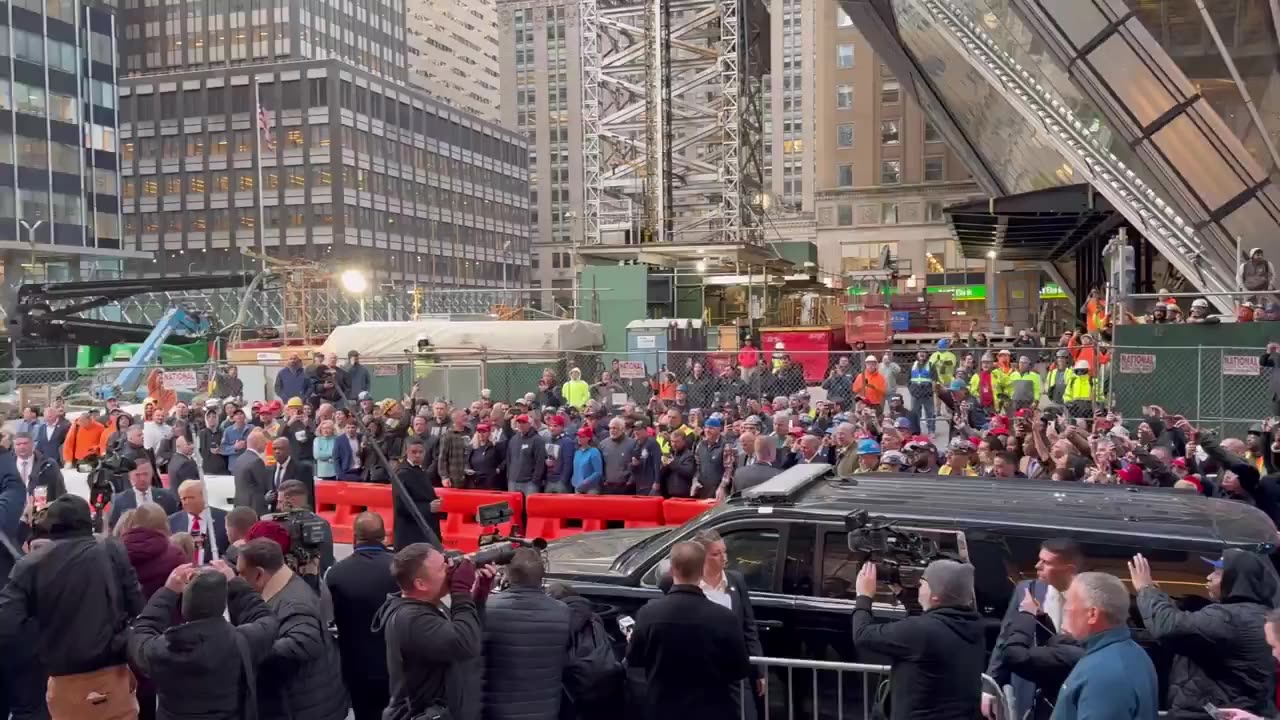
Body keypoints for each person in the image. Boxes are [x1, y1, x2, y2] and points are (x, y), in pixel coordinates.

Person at [0, 494, 145, 720]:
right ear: (88, 522)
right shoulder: (112, 551)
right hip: (112, 675)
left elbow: (7, 625)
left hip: (64, 681)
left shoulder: (30, 566)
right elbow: (138, 606)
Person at [1129, 550, 1277, 720]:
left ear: (1235, 580)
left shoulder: (1229, 618)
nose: (1209, 577)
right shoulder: (1262, 614)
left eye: (1217, 572)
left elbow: (1168, 626)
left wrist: (1146, 589)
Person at [626, 541, 750, 720]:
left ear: (672, 569)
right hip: (712, 711)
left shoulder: (648, 614)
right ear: (702, 570)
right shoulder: (724, 617)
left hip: (663, 710)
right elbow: (739, 669)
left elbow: (635, 659)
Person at [850, 559, 984, 720]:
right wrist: (900, 591)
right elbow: (926, 621)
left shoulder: (923, 632)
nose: (918, 588)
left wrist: (863, 596)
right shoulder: (971, 627)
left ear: (935, 596)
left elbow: (863, 635)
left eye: (922, 584)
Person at [235, 538, 349, 720]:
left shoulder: (293, 604)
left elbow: (305, 642)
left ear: (259, 574)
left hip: (305, 709)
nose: (239, 579)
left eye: (241, 573)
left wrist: (249, 649)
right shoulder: (286, 584)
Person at [374, 545, 490, 720]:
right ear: (420, 584)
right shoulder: (412, 620)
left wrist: (478, 597)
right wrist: (461, 591)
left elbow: (467, 634)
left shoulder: (427, 607)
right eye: (443, 567)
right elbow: (465, 644)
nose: (451, 569)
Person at [987, 539, 1083, 720]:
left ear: (1068, 569)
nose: (1037, 566)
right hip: (1026, 688)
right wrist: (991, 685)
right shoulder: (1027, 589)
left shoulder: (1087, 596)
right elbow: (1005, 637)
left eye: (1046, 562)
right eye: (1040, 559)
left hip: (1063, 692)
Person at [481, 548, 572, 720]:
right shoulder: (562, 612)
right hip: (545, 711)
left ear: (507, 576)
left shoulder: (487, 608)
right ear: (541, 577)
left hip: (495, 710)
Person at [1053, 572, 1158, 720]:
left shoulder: (1104, 673)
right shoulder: (1133, 653)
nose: (1065, 608)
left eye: (1069, 603)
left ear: (1092, 614)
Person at [325, 513, 398, 720]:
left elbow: (329, 619)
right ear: (384, 537)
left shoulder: (336, 573)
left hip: (357, 666)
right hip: (398, 665)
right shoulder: (401, 568)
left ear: (354, 538)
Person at [275, 479, 336, 574]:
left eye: (280, 501)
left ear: (289, 501)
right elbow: (327, 560)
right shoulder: (323, 523)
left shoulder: (280, 526)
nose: (278, 506)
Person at [392, 438, 442, 550]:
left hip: (423, 532)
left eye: (421, 452)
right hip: (411, 535)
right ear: (407, 452)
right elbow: (401, 506)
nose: (418, 455)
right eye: (414, 452)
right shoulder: (402, 473)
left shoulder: (420, 470)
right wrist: (428, 507)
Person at [168, 479, 230, 563]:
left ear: (204, 496)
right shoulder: (172, 521)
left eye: (191, 497)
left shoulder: (224, 518)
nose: (187, 502)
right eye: (184, 498)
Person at [110, 455, 179, 529]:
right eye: (137, 475)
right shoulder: (120, 500)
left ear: (152, 474)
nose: (142, 478)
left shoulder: (167, 497)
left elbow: (175, 523)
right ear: (130, 476)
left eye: (145, 474)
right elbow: (114, 527)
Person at [13, 431, 66, 500]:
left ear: (33, 444)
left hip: (42, 508)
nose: (22, 447)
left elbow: (60, 490)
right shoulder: (6, 465)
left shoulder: (49, 465)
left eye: (25, 443)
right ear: (14, 447)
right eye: (18, 444)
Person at [233, 429, 272, 516]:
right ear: (257, 443)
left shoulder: (239, 459)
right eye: (263, 441)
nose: (266, 444)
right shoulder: (256, 461)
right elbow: (264, 485)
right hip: (254, 508)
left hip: (240, 505)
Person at [269, 436, 314, 507]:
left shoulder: (302, 469)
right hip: (276, 512)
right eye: (274, 449)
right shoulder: (270, 469)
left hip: (294, 511)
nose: (277, 451)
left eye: (280, 448)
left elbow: (308, 495)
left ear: (288, 450)